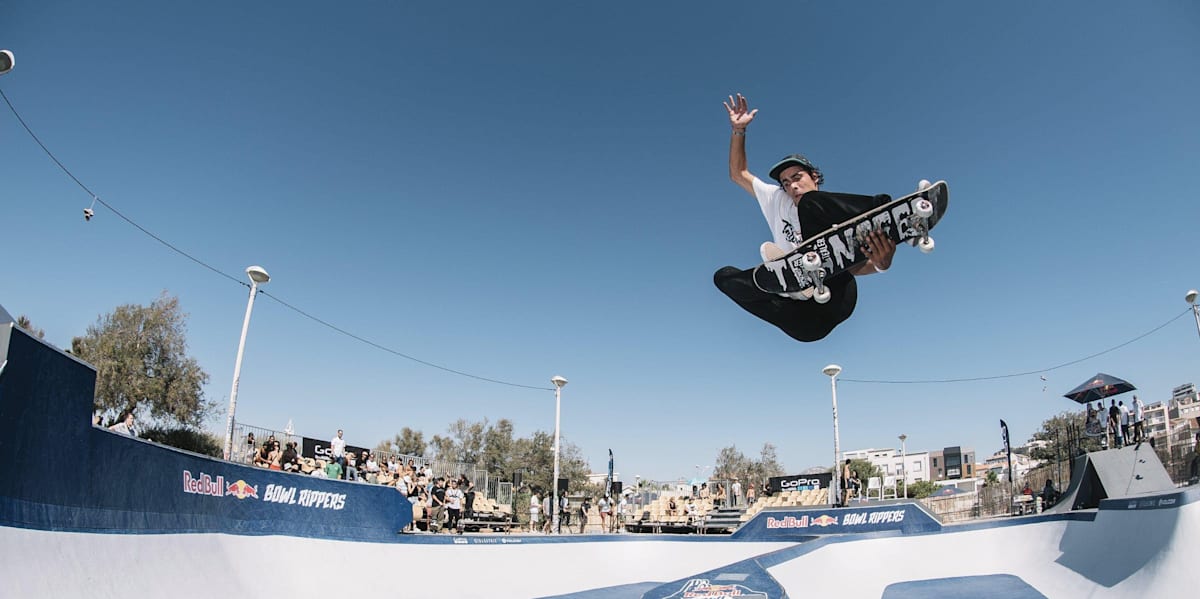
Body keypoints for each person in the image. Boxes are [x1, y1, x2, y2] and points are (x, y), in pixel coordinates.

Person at [714, 93, 899, 342]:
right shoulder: (776, 199)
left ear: (814, 177)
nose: (792, 187)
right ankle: (793, 287)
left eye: (797, 177)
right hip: (805, 322)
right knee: (724, 277)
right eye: (786, 183)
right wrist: (738, 130)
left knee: (811, 205)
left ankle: (877, 208)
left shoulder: (831, 208)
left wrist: (881, 264)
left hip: (837, 298)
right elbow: (738, 173)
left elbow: (854, 266)